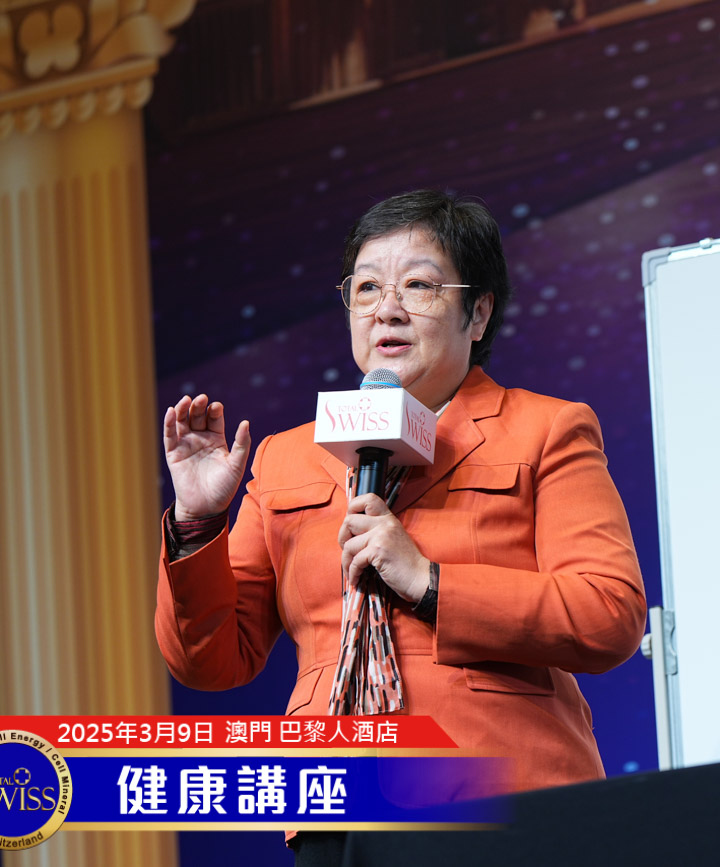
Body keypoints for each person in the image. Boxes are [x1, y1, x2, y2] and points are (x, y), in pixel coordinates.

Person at [156, 190, 646, 863]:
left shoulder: (546, 429)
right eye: (366, 288)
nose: (386, 309)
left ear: (478, 312)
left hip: (498, 790)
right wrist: (197, 519)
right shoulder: (285, 456)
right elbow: (210, 661)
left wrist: (431, 582)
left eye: (418, 285)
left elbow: (608, 613)